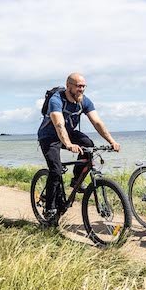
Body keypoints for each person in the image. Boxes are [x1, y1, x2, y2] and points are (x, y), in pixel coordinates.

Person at [37, 72, 121, 224]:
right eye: (78, 86)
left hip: (68, 133)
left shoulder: (84, 101)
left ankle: (76, 180)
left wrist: (111, 141)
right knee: (55, 171)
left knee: (88, 145)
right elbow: (59, 123)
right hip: (49, 137)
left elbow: (97, 122)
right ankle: (49, 208)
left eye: (83, 86)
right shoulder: (56, 100)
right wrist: (68, 144)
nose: (81, 89)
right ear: (68, 86)